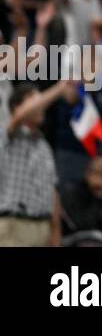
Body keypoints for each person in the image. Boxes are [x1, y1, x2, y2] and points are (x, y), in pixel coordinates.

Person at [0, 81, 67, 246]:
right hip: (15, 225)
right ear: (16, 106)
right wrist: (62, 86)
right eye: (34, 100)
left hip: (42, 227)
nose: (41, 105)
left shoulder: (44, 146)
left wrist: (55, 232)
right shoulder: (8, 134)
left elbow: (53, 191)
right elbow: (18, 117)